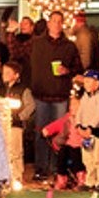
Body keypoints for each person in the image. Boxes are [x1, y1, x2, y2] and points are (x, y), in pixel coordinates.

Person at [26, 13, 81, 182]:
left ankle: (59, 169)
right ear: (48, 23)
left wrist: (68, 72)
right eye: (54, 21)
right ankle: (41, 168)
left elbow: (78, 68)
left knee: (61, 135)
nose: (57, 24)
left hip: (60, 95)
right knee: (41, 133)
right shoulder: (36, 44)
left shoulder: (69, 46)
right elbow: (21, 57)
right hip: (41, 94)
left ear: (63, 24)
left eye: (60, 21)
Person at [74, 69, 99, 191]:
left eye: (89, 82)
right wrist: (78, 125)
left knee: (98, 157)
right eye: (85, 82)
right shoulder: (85, 97)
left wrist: (91, 127)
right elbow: (80, 111)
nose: (86, 85)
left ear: (97, 83)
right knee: (87, 158)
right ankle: (90, 180)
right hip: (84, 131)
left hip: (96, 131)